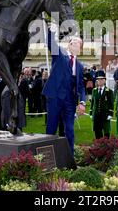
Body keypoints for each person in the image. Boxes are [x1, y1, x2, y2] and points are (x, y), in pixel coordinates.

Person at [42, 25, 86, 156]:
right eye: (72, 42)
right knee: (51, 129)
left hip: (69, 102)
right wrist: (51, 31)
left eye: (77, 43)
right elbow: (51, 43)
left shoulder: (79, 66)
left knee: (69, 130)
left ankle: (69, 158)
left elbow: (81, 86)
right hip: (55, 98)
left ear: (80, 48)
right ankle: (45, 157)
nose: (74, 45)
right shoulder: (60, 55)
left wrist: (82, 102)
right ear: (69, 45)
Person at [89, 70, 114, 139]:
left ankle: (106, 147)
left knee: (106, 131)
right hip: (96, 114)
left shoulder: (109, 91)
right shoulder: (94, 90)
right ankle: (99, 146)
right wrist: (91, 112)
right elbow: (93, 102)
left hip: (105, 114)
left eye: (101, 80)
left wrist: (110, 114)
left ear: (104, 81)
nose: (100, 81)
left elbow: (111, 103)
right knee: (97, 131)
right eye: (98, 80)